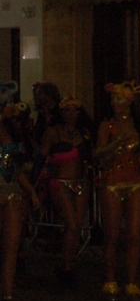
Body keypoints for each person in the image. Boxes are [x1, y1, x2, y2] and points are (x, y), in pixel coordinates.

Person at [94, 81, 140, 301]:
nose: (115, 103)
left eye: (120, 99)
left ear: (129, 102)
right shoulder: (106, 126)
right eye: (113, 99)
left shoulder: (138, 126)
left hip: (135, 181)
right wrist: (115, 143)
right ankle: (110, 280)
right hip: (112, 183)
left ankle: (132, 282)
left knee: (134, 235)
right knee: (112, 235)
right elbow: (97, 154)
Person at [39, 96, 93, 289]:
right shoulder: (53, 133)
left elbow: (91, 158)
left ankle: (68, 264)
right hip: (60, 182)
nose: (72, 114)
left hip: (81, 182)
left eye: (75, 110)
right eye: (68, 110)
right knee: (70, 224)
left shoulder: (84, 133)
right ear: (61, 113)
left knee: (76, 226)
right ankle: (66, 267)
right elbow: (42, 159)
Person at [1, 89, 40, 301]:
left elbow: (16, 169)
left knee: (11, 247)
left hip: (12, 191)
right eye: (9, 104)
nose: (13, 107)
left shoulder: (11, 130)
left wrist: (31, 191)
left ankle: (8, 298)